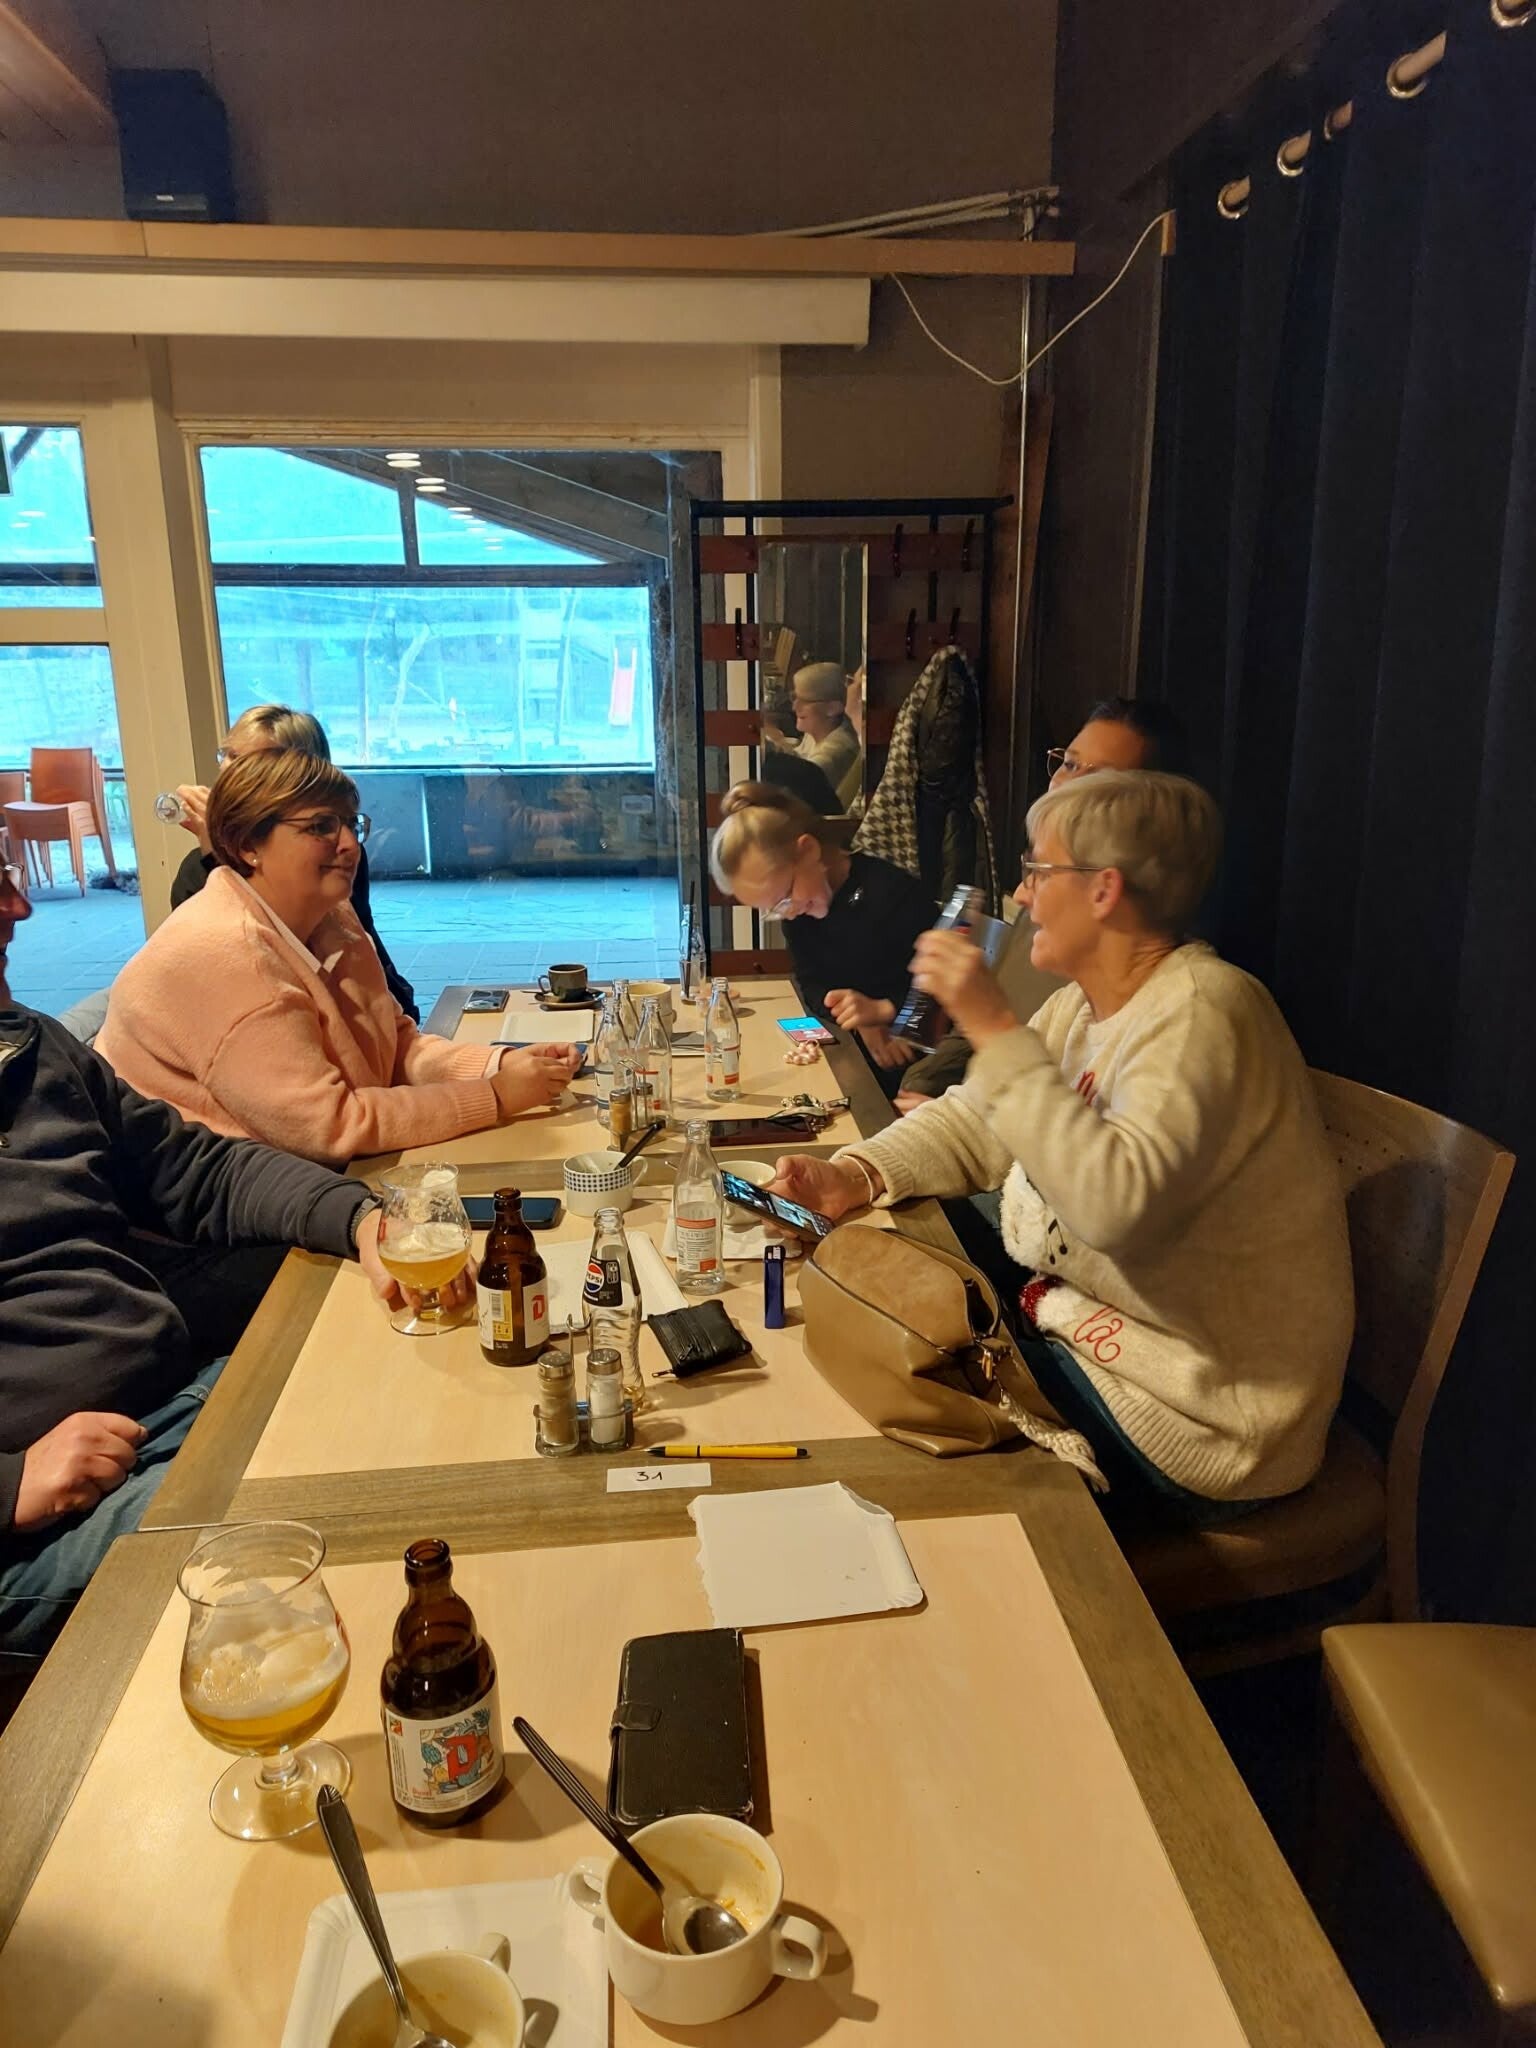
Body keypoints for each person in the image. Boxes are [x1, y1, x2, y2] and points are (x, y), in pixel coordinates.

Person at [768, 771, 1353, 1520]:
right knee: (863, 1305)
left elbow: (1111, 1212)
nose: (1021, 895)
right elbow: (978, 1118)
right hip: (1089, 1330)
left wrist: (992, 1026)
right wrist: (854, 1174)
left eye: (1038, 871)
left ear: (1104, 889)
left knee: (892, 1435)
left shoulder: (1204, 1011)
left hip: (1196, 1414)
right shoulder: (1083, 1005)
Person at [0, 856, 460, 1655]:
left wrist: (361, 1220)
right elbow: (332, 1120)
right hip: (44, 1517)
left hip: (170, 1403)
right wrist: (9, 1483)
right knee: (323, 1556)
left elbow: (196, 1169)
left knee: (415, 1412)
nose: (20, 906)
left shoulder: (30, 1046)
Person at [96, 750, 578, 1167]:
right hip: (198, 1207)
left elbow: (396, 1047)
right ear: (247, 844)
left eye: (351, 823)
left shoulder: (331, 916)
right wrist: (494, 1097)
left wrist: (498, 1064)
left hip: (290, 1173)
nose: (349, 845)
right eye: (321, 826)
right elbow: (330, 1127)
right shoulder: (228, 954)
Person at [897, 696, 1190, 1107]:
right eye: (1069, 764)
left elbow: (1080, 1143)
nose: (1067, 784)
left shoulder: (1190, 1010)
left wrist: (991, 1029)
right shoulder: (1070, 1001)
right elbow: (977, 1100)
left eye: (1099, 778)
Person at [170, 702, 419, 1022]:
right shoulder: (197, 876)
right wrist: (216, 851)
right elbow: (234, 982)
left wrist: (219, 846)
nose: (231, 774)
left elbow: (345, 984)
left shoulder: (334, 855)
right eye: (229, 756)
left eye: (253, 763)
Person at [709, 782, 937, 1089]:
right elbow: (811, 984)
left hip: (924, 1067)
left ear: (809, 850)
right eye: (774, 910)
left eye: (785, 897)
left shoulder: (893, 893)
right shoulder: (799, 916)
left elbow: (947, 991)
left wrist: (883, 1010)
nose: (788, 914)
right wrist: (856, 1019)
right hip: (858, 1054)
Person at [762, 662, 862, 793]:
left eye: (804, 701)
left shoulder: (836, 752)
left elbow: (800, 779)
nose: (794, 707)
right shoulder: (816, 731)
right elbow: (798, 758)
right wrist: (765, 745)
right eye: (794, 697)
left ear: (832, 708)